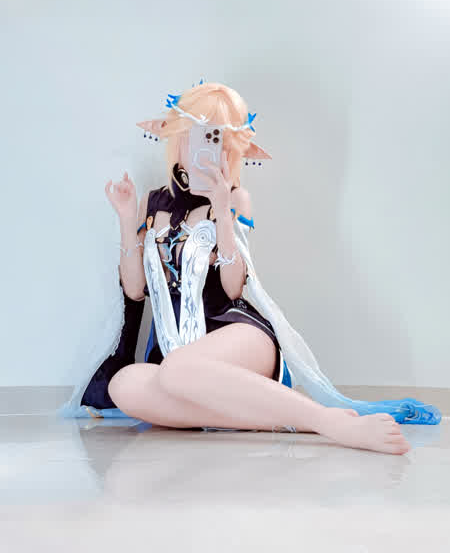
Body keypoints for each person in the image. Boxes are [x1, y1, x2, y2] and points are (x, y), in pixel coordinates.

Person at [57, 81, 441, 455]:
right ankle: (270, 416)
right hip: (176, 355)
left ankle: (328, 421)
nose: (206, 147)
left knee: (175, 370)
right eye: (198, 135)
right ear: (179, 138)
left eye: (218, 139)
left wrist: (222, 209)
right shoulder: (152, 202)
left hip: (236, 336)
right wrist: (127, 220)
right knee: (124, 384)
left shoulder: (236, 198)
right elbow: (135, 289)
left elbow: (233, 287)